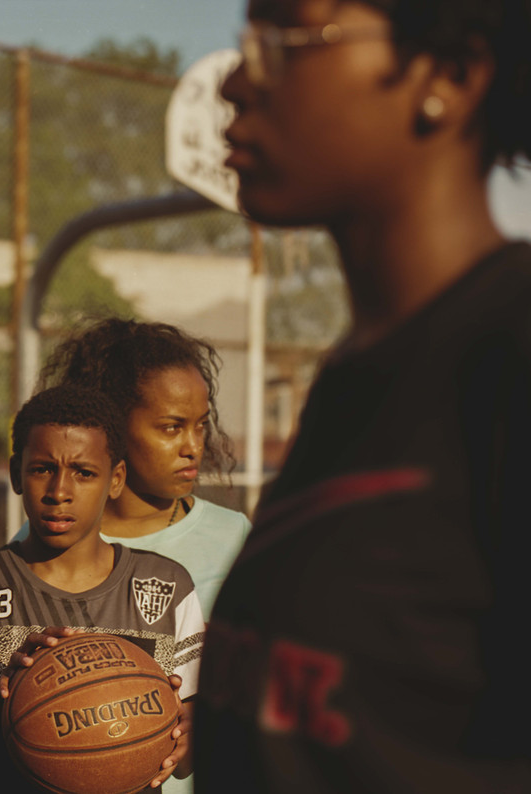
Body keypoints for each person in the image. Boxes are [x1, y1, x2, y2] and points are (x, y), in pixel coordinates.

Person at [192, 0, 531, 791]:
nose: (238, 78)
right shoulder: (358, 373)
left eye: (287, 36)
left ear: (448, 76)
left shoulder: (508, 351)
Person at [0, 385, 204, 792]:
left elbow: (183, 764)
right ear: (15, 474)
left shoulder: (166, 587)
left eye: (84, 472)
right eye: (41, 469)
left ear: (116, 479)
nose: (59, 492)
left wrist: (184, 732)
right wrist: (4, 700)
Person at [24, 318, 251, 621]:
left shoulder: (235, 538)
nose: (193, 447)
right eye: (172, 428)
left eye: (200, 426)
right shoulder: (48, 534)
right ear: (113, 426)